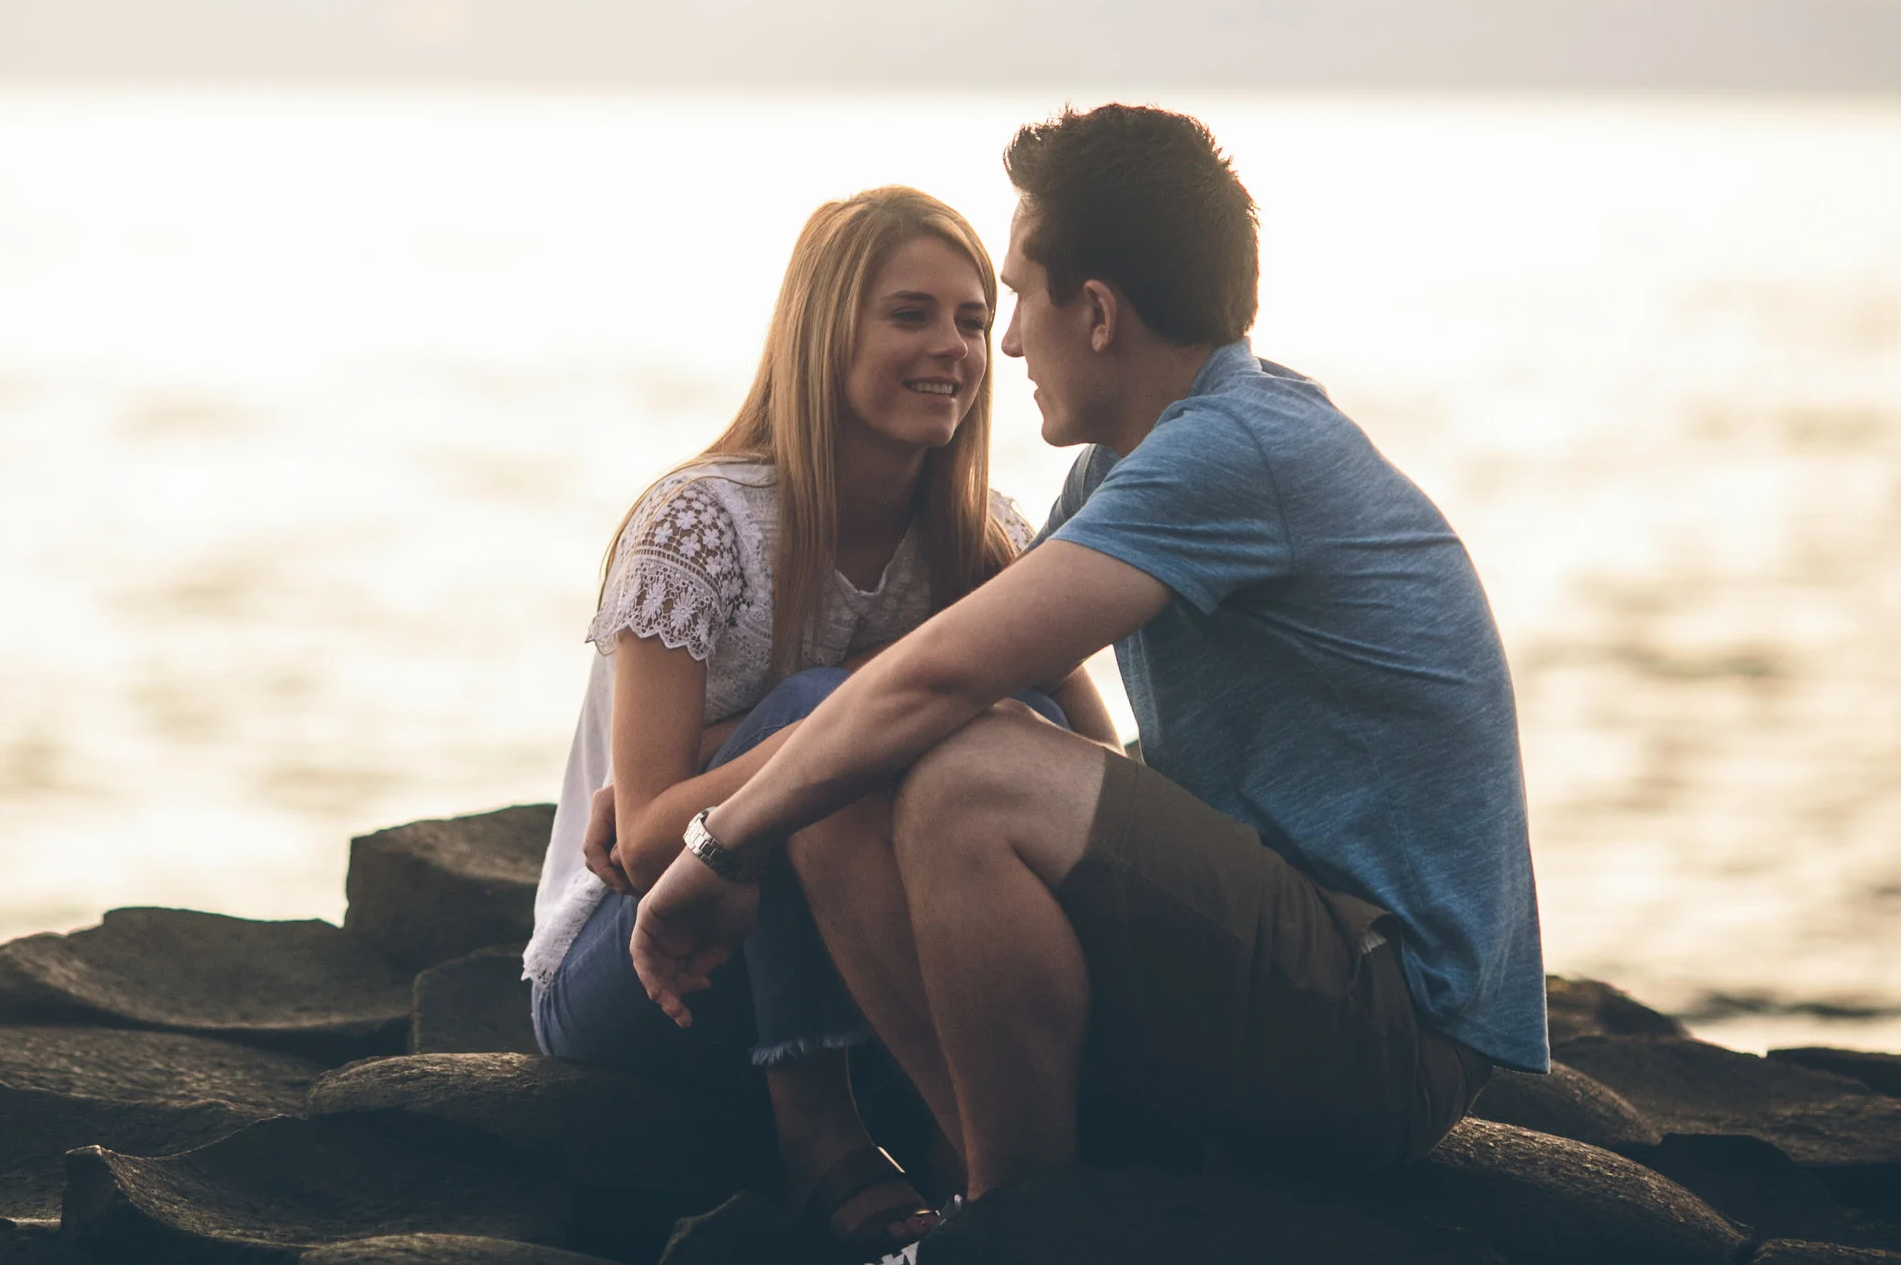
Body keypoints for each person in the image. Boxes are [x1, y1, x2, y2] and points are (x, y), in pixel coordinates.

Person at [629, 104, 1549, 1210]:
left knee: (969, 775)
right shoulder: (1135, 468)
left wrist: (718, 846)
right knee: (852, 782)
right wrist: (738, 774)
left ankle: (1019, 1220)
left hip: (1391, 1031)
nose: (1006, 342)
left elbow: (941, 679)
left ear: (1098, 312)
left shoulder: (1231, 450)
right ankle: (987, 1180)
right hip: (1282, 977)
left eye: (1015, 297)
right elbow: (926, 679)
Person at [523, 186, 1121, 1259]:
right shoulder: (701, 524)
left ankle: (985, 1118)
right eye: (909, 314)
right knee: (822, 717)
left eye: (973, 319)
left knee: (1006, 710)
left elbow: (1090, 763)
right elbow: (650, 833)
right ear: (824, 328)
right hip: (648, 969)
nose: (951, 346)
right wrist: (867, 697)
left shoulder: (982, 539)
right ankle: (821, 1136)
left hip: (855, 956)